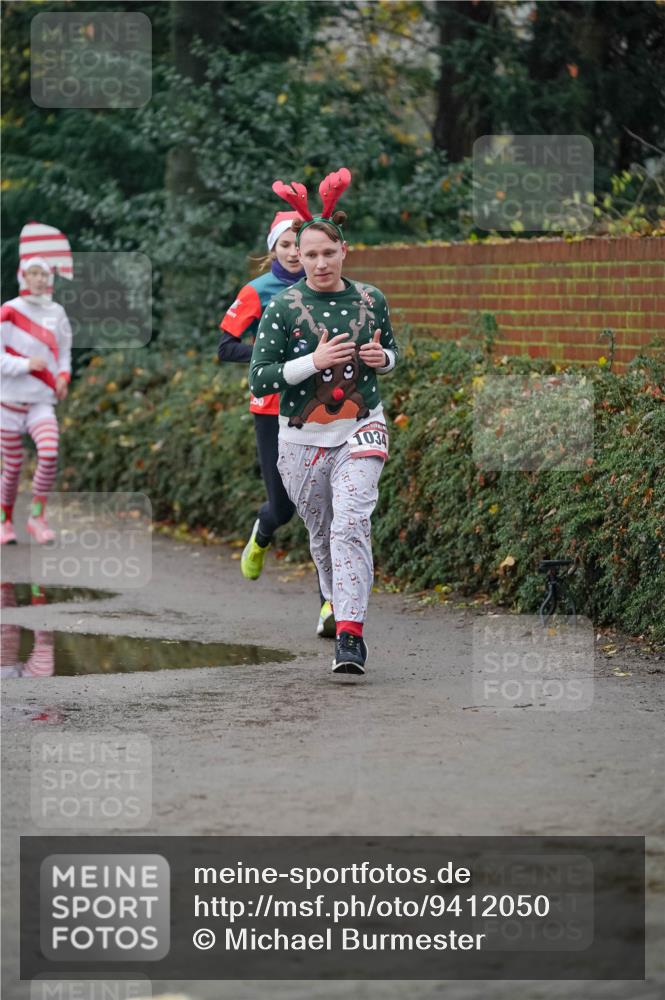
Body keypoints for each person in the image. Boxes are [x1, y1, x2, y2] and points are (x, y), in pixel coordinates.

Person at [249, 168, 399, 677]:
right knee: (322, 534)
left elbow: (392, 350)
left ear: (343, 252)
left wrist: (384, 360)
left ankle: (351, 636)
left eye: (327, 253)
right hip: (300, 438)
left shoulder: (370, 298)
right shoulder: (283, 308)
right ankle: (335, 604)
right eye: (308, 254)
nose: (317, 262)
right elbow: (262, 377)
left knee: (352, 523)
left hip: (363, 425)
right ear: (297, 257)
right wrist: (312, 362)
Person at [217, 211, 336, 638]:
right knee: (285, 508)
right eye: (284, 244)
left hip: (320, 408)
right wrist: (271, 355)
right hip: (271, 410)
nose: (291, 252)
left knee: (325, 510)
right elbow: (224, 347)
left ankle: (330, 606)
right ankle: (264, 527)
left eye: (296, 245)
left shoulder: (324, 290)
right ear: (273, 249)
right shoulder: (257, 291)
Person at [1, 222, 73, 545]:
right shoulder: (8, 312)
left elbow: (65, 352)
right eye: (35, 273)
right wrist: (25, 364)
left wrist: (63, 376)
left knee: (49, 452)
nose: (41, 279)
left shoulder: (57, 312)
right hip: (8, 402)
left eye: (45, 274)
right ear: (23, 276)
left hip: (41, 401)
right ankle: (4, 521)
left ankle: (37, 518)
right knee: (13, 468)